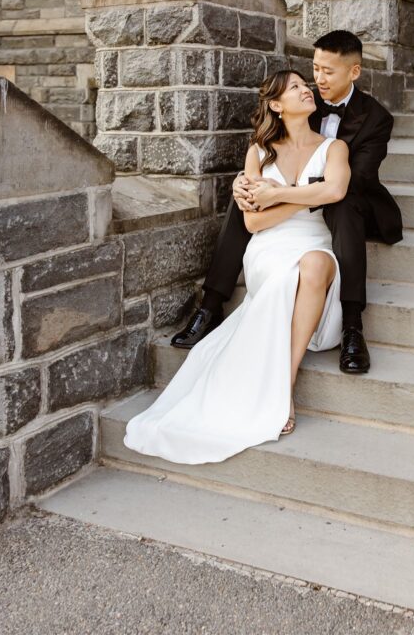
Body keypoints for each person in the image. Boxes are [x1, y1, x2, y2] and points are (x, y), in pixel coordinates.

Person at [124, 69, 350, 463]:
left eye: (305, 84)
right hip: (269, 247)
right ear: (277, 105)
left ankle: (284, 382)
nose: (306, 90)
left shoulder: (334, 148)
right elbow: (254, 222)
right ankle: (281, 393)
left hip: (314, 240)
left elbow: (335, 190)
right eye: (295, 87)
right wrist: (305, 196)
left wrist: (278, 193)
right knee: (284, 275)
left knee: (313, 266)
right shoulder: (258, 153)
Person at [172, 30, 403, 374]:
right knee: (244, 199)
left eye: (329, 71)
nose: (318, 80)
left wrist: (278, 193)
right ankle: (211, 305)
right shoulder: (304, 100)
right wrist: (247, 185)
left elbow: (353, 181)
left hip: (352, 202)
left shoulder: (376, 118)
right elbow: (279, 150)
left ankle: (352, 324)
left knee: (343, 202)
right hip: (306, 204)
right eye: (316, 69)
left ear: (354, 72)